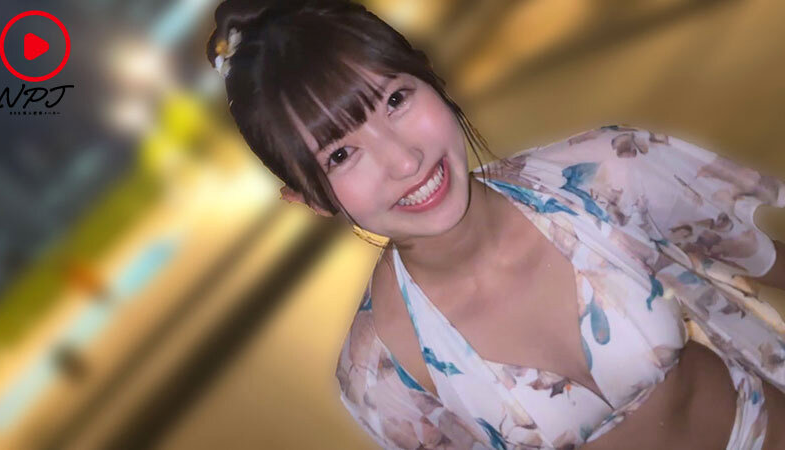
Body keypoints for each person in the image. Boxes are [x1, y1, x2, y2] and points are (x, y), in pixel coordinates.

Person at [206, 1, 785, 448]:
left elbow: (771, 260)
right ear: (309, 199)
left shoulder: (605, 175)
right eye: (340, 154)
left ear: (430, 76)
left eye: (396, 100)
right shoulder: (382, 376)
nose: (404, 161)